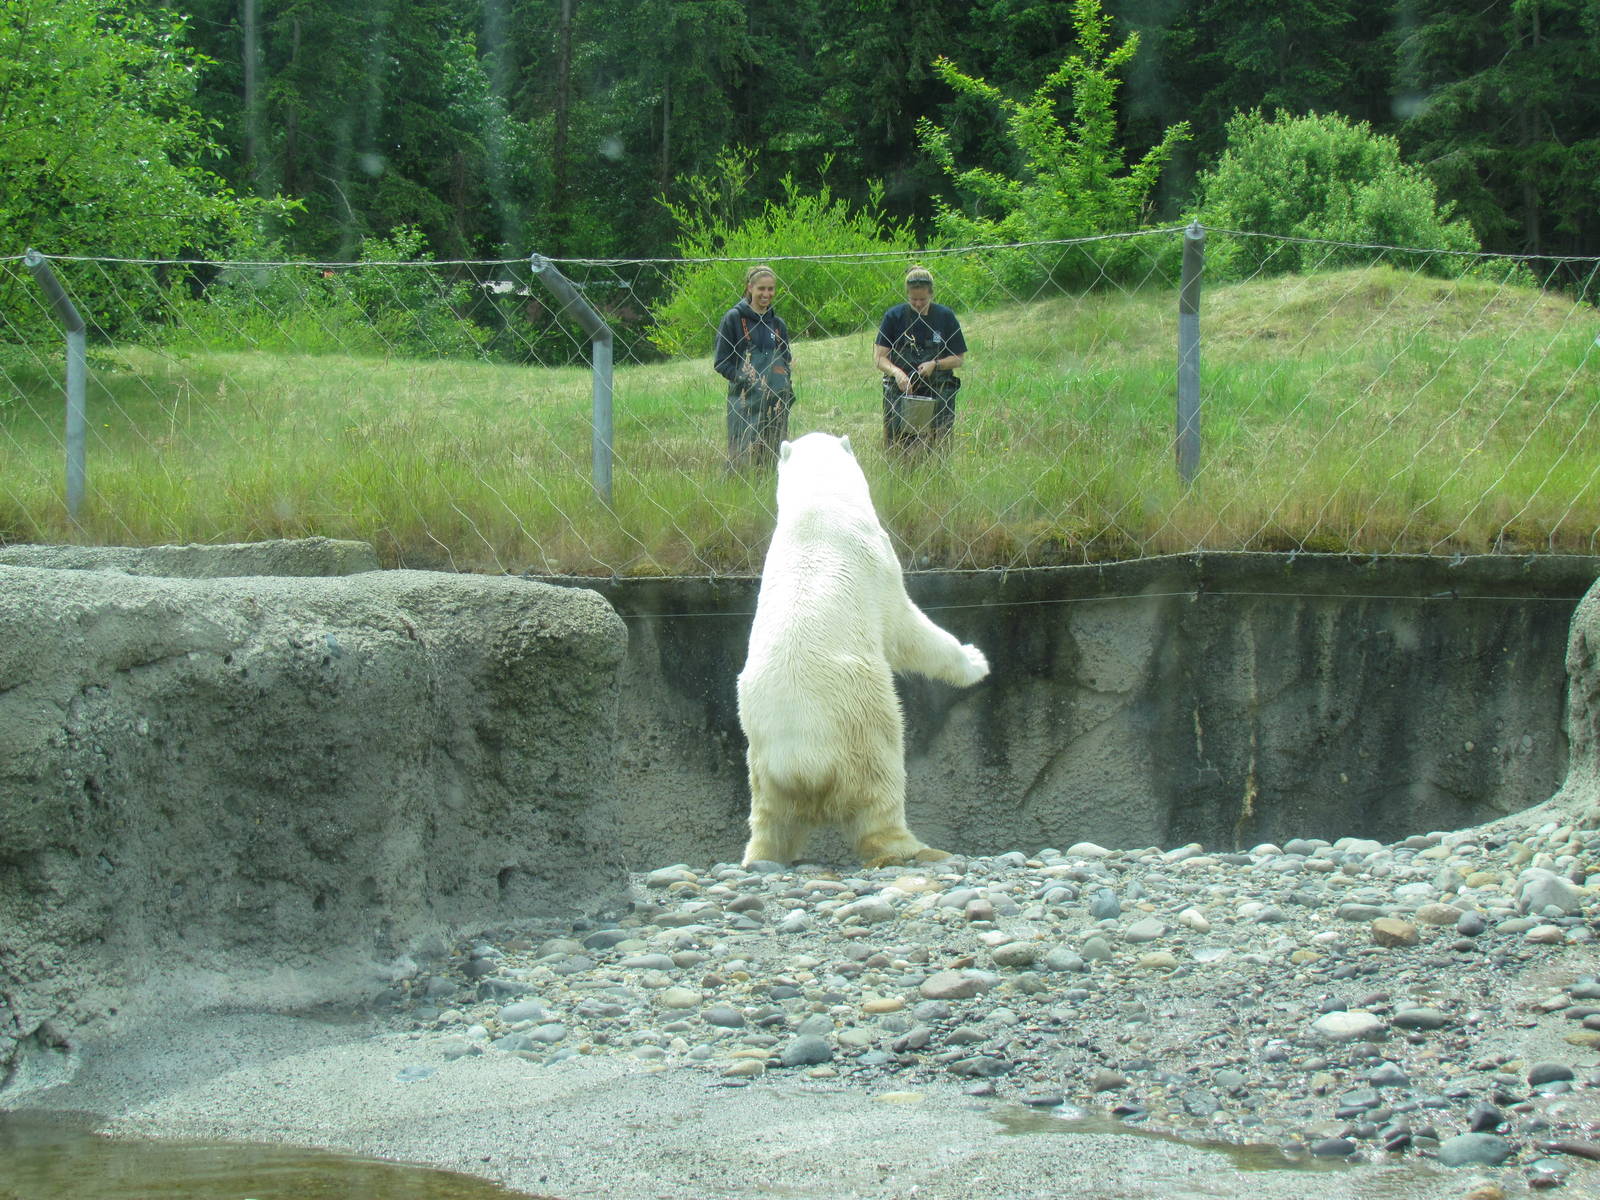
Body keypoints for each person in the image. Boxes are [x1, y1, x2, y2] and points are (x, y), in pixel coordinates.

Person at [874, 265, 967, 450]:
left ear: (931, 294)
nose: (917, 304)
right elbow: (879, 359)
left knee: (938, 443)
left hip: (939, 390)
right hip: (901, 391)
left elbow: (959, 358)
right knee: (898, 445)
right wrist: (897, 373)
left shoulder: (945, 317)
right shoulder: (894, 317)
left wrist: (936, 364)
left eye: (922, 299)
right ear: (907, 294)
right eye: (913, 299)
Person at [714, 264, 793, 469]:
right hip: (744, 402)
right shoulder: (733, 318)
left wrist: (784, 387)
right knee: (742, 458)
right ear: (750, 288)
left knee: (773, 458)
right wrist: (746, 379)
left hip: (775, 405)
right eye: (761, 289)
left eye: (771, 289)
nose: (766, 294)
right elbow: (721, 362)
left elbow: (786, 360)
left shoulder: (778, 324)